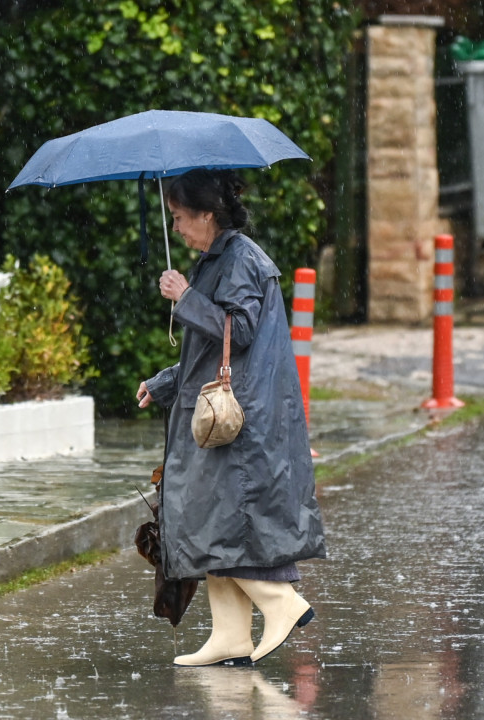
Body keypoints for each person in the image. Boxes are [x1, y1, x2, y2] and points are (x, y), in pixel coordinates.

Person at [135, 168, 327, 667]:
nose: (176, 227)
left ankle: (281, 605)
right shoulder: (215, 259)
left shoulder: (241, 259)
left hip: (243, 421)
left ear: (207, 214)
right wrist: (161, 383)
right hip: (229, 411)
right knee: (213, 521)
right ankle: (230, 636)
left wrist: (185, 298)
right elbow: (208, 353)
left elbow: (237, 332)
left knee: (214, 521)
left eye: (180, 218)